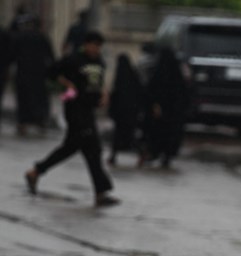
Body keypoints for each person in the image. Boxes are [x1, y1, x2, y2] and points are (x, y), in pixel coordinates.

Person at [24, 31, 119, 208]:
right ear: (86, 44)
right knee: (94, 149)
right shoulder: (73, 59)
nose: (96, 49)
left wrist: (104, 93)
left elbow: (99, 81)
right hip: (74, 109)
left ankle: (36, 171)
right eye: (93, 45)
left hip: (89, 110)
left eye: (99, 46)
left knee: (71, 148)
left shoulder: (99, 61)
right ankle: (101, 192)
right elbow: (51, 72)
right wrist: (66, 84)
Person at [139, 47, 188, 169]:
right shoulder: (177, 76)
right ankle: (164, 156)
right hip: (170, 114)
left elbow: (150, 93)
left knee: (159, 134)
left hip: (162, 114)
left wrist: (154, 105)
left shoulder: (159, 74)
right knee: (167, 135)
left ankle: (158, 154)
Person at [12, 15, 54, 136]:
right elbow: (50, 56)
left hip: (23, 72)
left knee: (24, 98)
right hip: (39, 74)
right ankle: (40, 121)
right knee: (39, 98)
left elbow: (12, 54)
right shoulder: (42, 37)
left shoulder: (20, 37)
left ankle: (23, 122)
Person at [107, 54, 143, 166]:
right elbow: (140, 92)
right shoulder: (133, 75)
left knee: (120, 135)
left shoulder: (121, 76)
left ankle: (113, 156)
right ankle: (141, 154)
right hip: (131, 112)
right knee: (129, 135)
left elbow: (115, 94)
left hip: (121, 112)